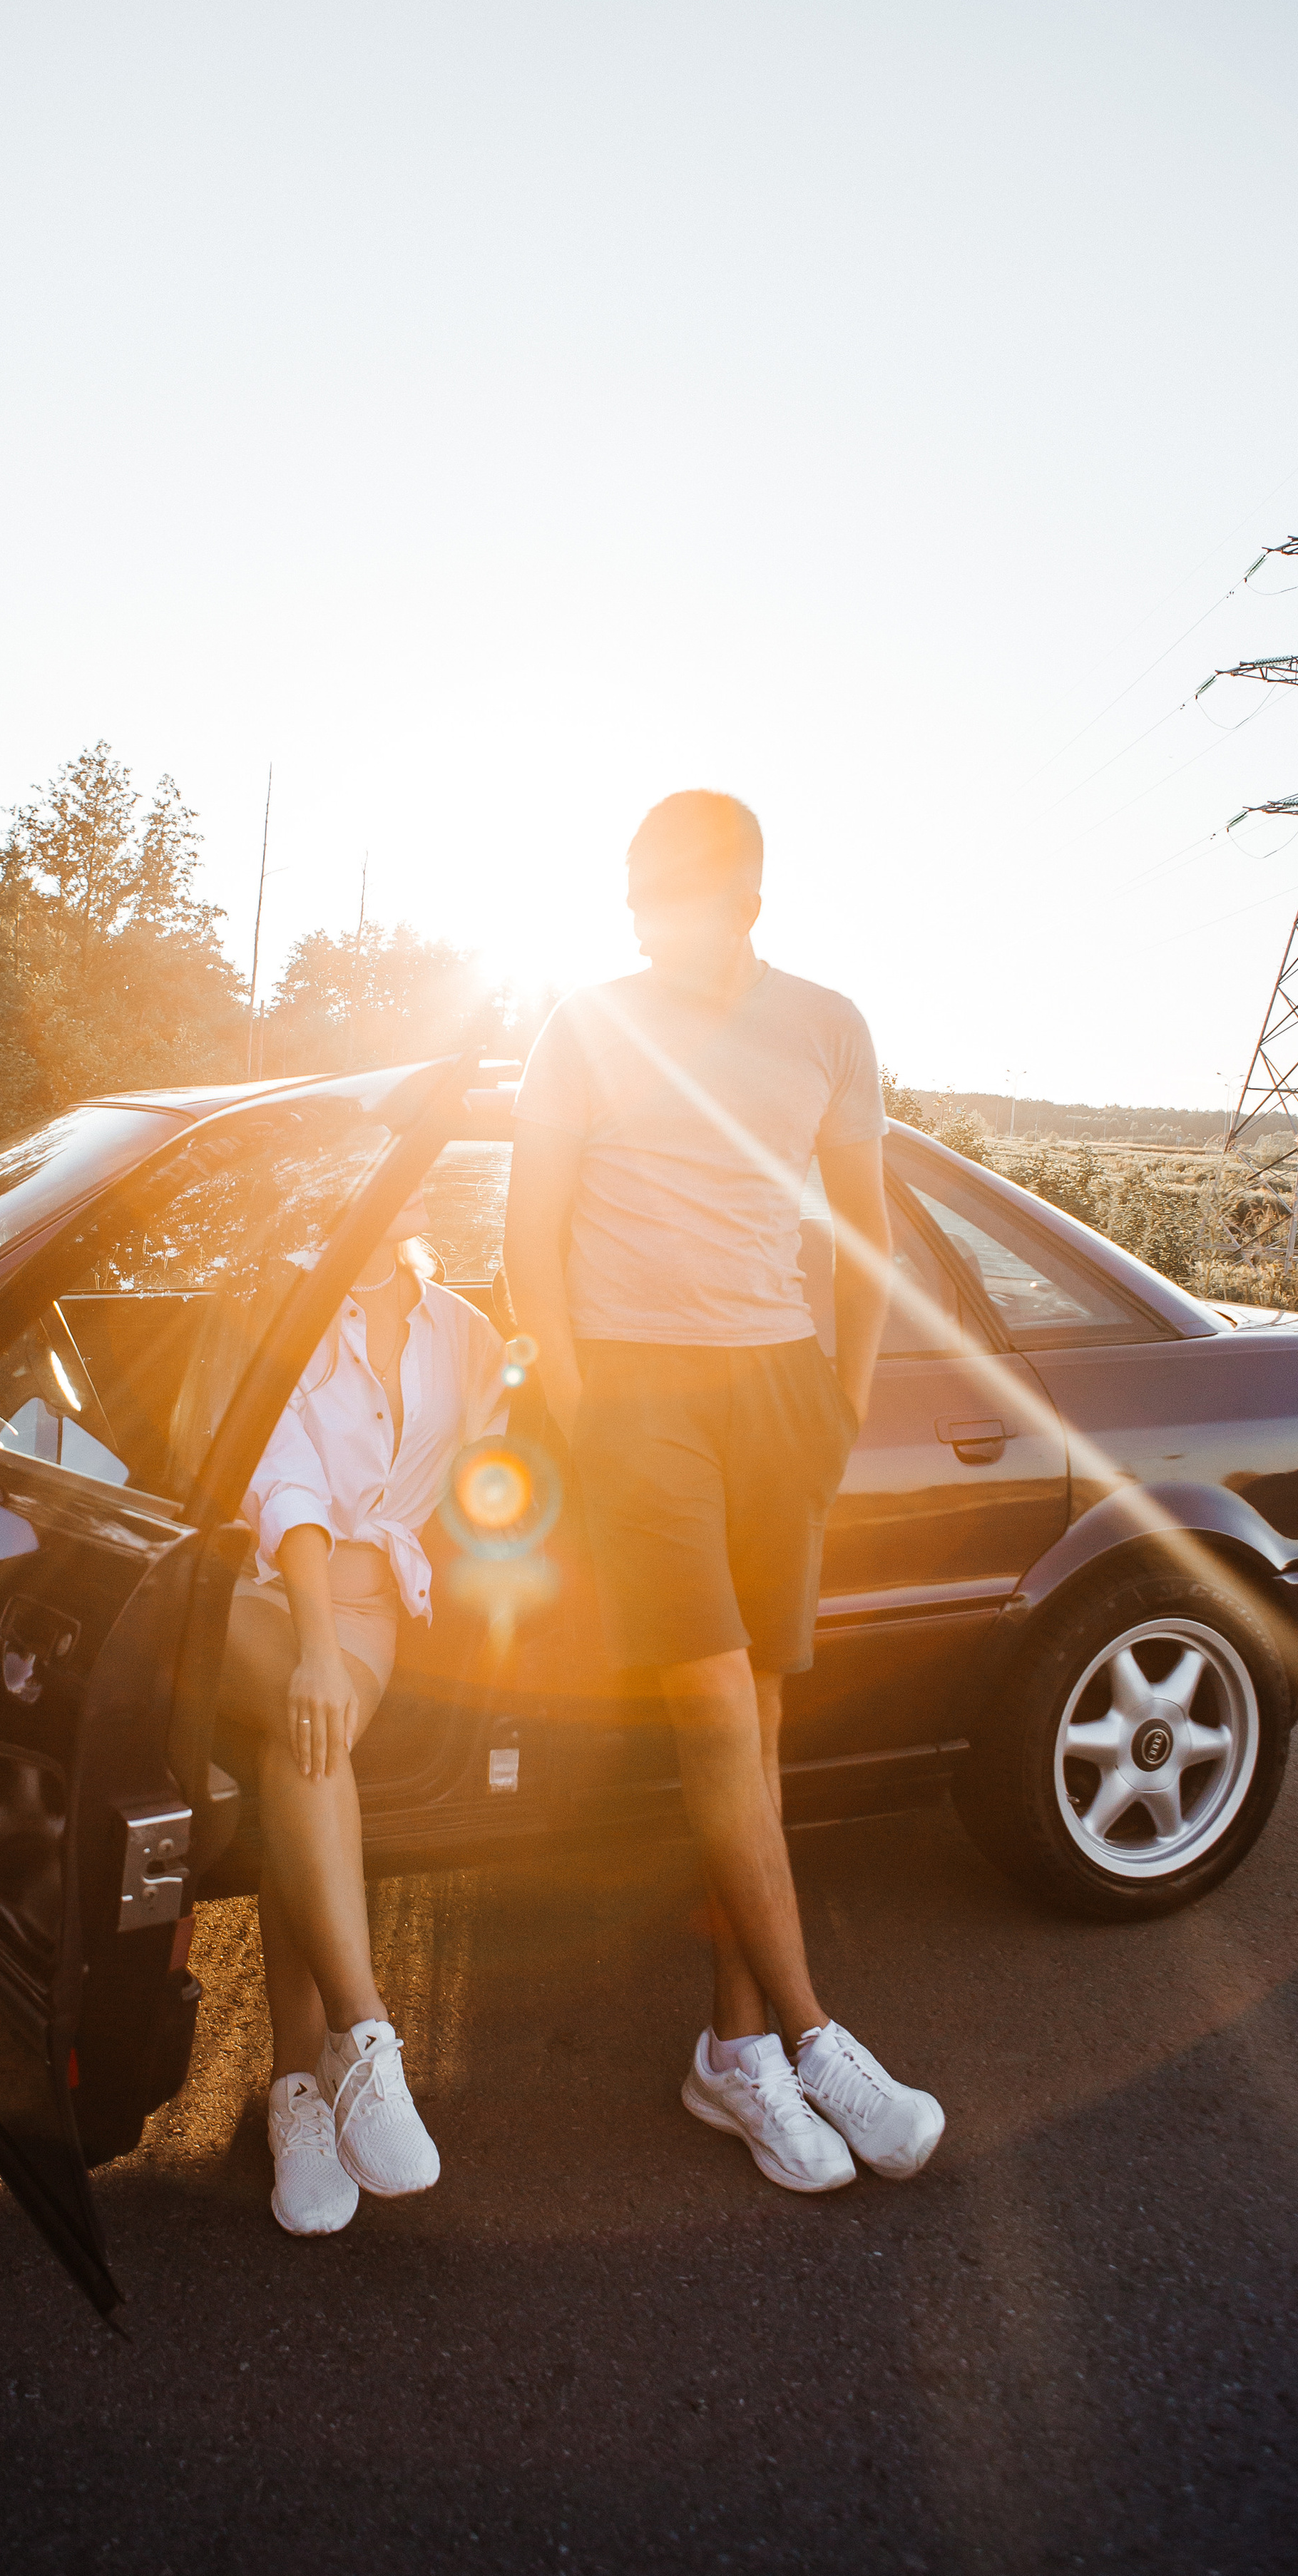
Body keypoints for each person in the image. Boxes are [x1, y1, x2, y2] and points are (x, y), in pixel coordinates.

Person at [503, 791, 944, 2195]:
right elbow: (524, 1240)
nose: (646, 927)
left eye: (671, 901)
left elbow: (862, 1232)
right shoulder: (583, 1023)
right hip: (636, 1403)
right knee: (707, 1715)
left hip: (776, 1397)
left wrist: (839, 1405)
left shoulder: (826, 1025)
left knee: (754, 1729)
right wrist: (586, 1417)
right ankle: (812, 2039)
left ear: (744, 898)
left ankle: (728, 2052)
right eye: (634, 901)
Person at [218, 1181, 508, 2237]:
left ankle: (299, 2090)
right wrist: (312, 1652)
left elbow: (513, 1433)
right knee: (309, 1724)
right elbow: (281, 1476)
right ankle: (363, 2035)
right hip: (258, 1595)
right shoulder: (288, 1302)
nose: (410, 1190)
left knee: (300, 1754)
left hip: (376, 1605)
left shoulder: (462, 1329)